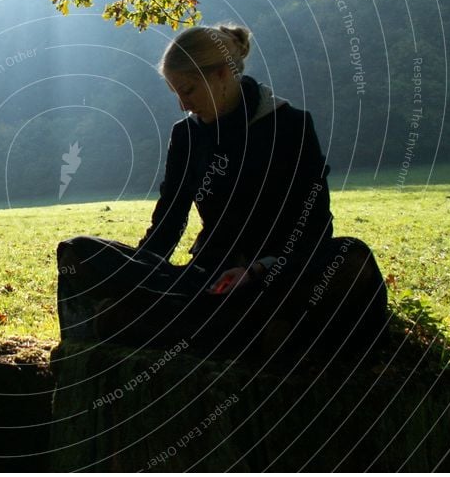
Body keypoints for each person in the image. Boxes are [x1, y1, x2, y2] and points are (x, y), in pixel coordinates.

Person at [56, 24, 388, 359]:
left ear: (220, 75)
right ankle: (250, 335)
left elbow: (315, 225)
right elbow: (169, 222)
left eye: (188, 90)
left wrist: (258, 269)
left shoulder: (290, 126)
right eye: (176, 93)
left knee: (350, 256)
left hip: (276, 276)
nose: (183, 105)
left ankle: (190, 327)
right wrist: (142, 270)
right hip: (207, 279)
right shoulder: (186, 136)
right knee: (78, 251)